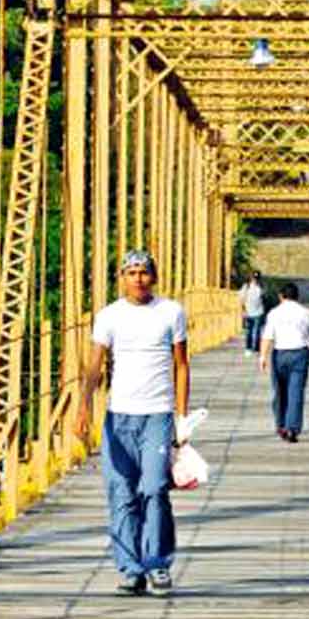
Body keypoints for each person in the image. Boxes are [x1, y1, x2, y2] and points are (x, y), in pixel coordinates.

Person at [75, 250, 190, 596]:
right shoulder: (108, 316)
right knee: (121, 493)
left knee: (154, 488)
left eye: (144, 272)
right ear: (121, 278)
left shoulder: (171, 312)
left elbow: (181, 365)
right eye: (131, 272)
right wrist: (83, 406)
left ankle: (158, 564)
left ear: (154, 277)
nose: (138, 278)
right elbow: (95, 364)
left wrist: (181, 417)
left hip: (157, 413)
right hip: (118, 415)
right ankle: (130, 569)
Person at [257, 282, 309, 441]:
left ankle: (281, 425)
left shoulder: (274, 313)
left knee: (279, 392)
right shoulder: (306, 313)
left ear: (281, 296)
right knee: (296, 392)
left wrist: (262, 357)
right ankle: (292, 428)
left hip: (279, 354)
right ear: (297, 296)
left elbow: (267, 337)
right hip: (300, 353)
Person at [239, 271, 267, 353]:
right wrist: (243, 310)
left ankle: (257, 348)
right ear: (251, 278)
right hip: (248, 312)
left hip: (258, 312)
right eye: (254, 278)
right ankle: (248, 347)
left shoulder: (261, 287)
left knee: (257, 331)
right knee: (249, 331)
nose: (255, 280)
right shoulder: (246, 287)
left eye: (257, 278)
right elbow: (241, 299)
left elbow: (263, 298)